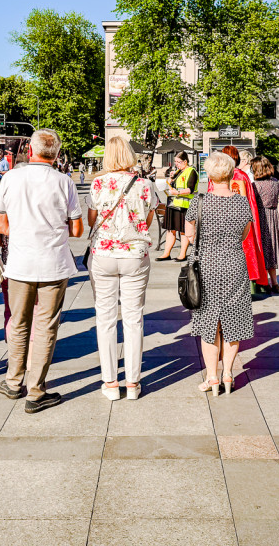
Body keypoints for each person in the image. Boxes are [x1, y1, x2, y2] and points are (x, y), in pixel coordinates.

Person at [0, 129, 83, 414]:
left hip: (19, 263)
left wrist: (20, 232)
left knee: (18, 323)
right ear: (56, 154)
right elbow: (77, 229)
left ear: (29, 151)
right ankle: (36, 390)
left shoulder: (10, 178)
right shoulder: (64, 182)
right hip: (53, 263)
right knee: (45, 326)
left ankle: (12, 381)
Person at [87, 136, 155, 400]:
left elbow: (93, 218)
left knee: (104, 319)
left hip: (103, 253)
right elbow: (148, 218)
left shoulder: (97, 183)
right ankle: (133, 383)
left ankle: (111, 383)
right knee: (133, 318)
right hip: (135, 254)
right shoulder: (144, 184)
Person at [184, 152, 253, 395]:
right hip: (234, 266)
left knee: (208, 324)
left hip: (206, 269)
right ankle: (228, 374)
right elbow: (245, 235)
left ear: (209, 175)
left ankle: (212, 377)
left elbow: (189, 235)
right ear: (232, 173)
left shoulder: (199, 202)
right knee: (233, 322)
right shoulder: (242, 203)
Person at [221, 145, 270, 289]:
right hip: (243, 220)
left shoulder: (220, 176)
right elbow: (250, 201)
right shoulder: (241, 175)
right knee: (245, 252)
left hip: (224, 221)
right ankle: (249, 286)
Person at [156, 152, 197, 262]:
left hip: (184, 205)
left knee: (183, 230)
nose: (176, 164)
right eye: (175, 162)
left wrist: (177, 192)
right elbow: (171, 185)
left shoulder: (191, 171)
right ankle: (166, 253)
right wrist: (171, 179)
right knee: (171, 230)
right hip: (173, 204)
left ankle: (182, 254)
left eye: (179, 162)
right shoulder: (178, 172)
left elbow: (190, 189)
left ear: (185, 162)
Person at [250, 156, 279, 294]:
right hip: (273, 217)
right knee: (272, 249)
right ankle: (275, 282)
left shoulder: (255, 186)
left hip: (261, 217)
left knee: (261, 249)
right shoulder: (275, 182)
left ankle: (264, 283)